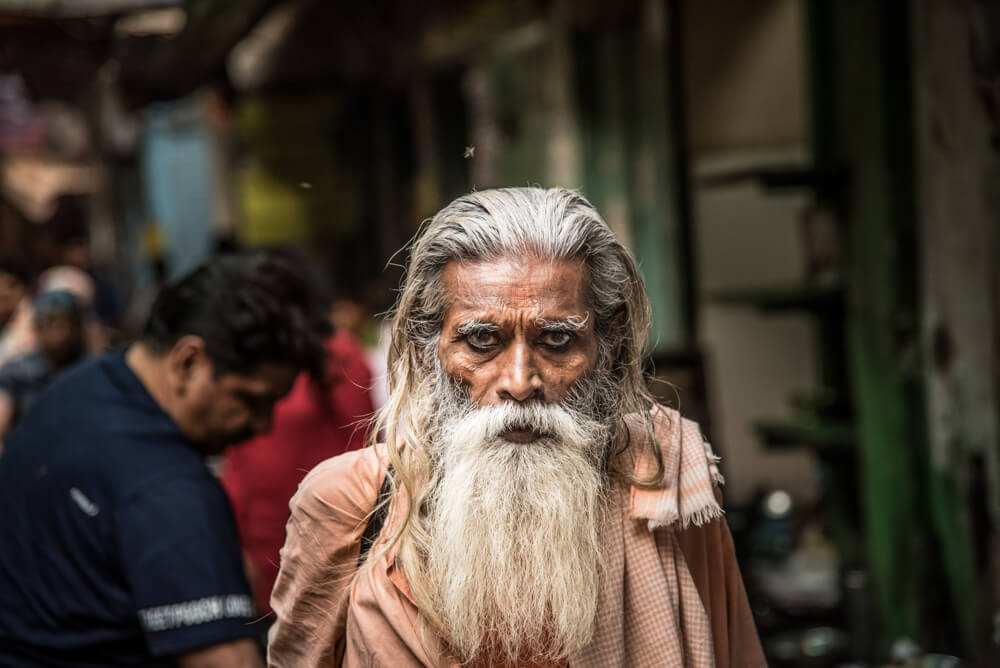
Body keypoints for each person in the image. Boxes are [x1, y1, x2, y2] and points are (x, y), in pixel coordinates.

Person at [268, 187, 766, 667]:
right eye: (482, 339)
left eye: (557, 339)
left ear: (607, 343)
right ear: (427, 346)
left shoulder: (667, 489)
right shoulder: (346, 502)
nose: (521, 382)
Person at [0, 251, 330, 667]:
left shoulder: (72, 392)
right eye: (251, 399)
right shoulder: (168, 490)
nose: (261, 425)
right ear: (188, 362)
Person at [221, 298, 375, 617]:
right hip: (256, 547)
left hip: (322, 541)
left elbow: (363, 444)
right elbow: (237, 459)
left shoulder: (336, 355)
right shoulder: (246, 357)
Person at [0, 290, 88, 440]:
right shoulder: (17, 372)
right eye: (51, 325)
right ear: (38, 328)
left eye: (65, 325)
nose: (60, 335)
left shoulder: (90, 373)